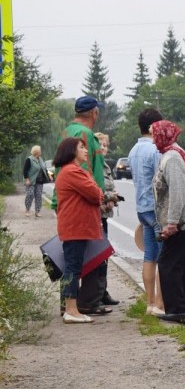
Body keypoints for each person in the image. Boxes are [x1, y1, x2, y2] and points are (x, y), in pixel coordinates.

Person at [52, 96, 114, 315]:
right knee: (86, 258)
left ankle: (71, 304)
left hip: (72, 204)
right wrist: (100, 196)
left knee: (74, 259)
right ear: (94, 113)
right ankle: (83, 303)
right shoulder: (85, 134)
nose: (85, 151)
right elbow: (85, 176)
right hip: (82, 207)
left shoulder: (68, 130)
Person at [152, 120, 185, 325]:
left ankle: (178, 310)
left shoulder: (172, 157)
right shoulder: (174, 152)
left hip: (182, 223)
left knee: (168, 264)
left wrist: (172, 223)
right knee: (182, 266)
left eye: (155, 134)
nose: (154, 139)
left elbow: (178, 192)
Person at [52, 138, 103, 324]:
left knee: (73, 267)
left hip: (75, 227)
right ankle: (71, 310)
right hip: (75, 228)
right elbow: (95, 193)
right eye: (81, 147)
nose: (86, 150)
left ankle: (71, 308)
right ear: (71, 151)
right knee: (72, 268)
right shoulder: (72, 171)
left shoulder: (69, 171)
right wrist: (98, 191)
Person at [128, 108, 166, 316]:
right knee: (163, 257)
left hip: (141, 208)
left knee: (149, 256)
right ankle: (160, 303)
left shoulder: (133, 150)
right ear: (154, 127)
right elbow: (161, 181)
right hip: (156, 208)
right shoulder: (155, 150)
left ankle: (149, 302)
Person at [94, 132, 121, 309]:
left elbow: (110, 186)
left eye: (105, 145)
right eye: (100, 145)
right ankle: (96, 293)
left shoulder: (105, 165)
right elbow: (96, 189)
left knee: (104, 256)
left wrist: (112, 198)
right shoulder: (94, 166)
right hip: (97, 216)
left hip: (105, 215)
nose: (103, 148)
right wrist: (111, 197)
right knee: (98, 256)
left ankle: (103, 291)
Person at [23, 145, 49, 217]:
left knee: (38, 196)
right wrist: (27, 179)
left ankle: (37, 212)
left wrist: (49, 176)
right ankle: (27, 210)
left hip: (40, 181)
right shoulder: (29, 159)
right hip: (31, 180)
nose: (41, 152)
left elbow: (44, 168)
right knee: (30, 195)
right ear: (36, 151)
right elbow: (25, 170)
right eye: (40, 151)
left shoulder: (40, 159)